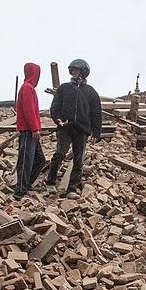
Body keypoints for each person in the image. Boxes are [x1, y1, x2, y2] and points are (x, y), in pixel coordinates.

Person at [46, 58, 104, 197]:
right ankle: (50, 182)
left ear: (83, 73)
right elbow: (55, 106)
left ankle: (72, 188)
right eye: (72, 71)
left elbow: (96, 112)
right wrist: (57, 118)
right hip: (65, 127)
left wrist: (96, 131)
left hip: (82, 130)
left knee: (78, 159)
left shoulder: (91, 92)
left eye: (76, 70)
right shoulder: (64, 88)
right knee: (60, 153)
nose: (73, 73)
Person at [12, 62, 46, 198]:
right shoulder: (27, 88)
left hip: (31, 131)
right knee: (26, 160)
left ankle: (26, 184)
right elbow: (28, 110)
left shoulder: (29, 88)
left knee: (40, 160)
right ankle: (20, 190)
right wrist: (35, 129)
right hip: (28, 131)